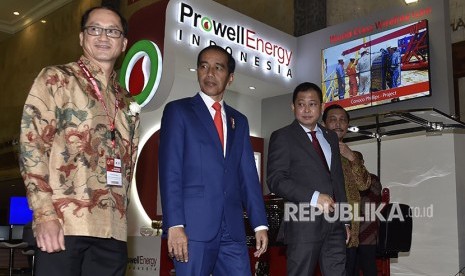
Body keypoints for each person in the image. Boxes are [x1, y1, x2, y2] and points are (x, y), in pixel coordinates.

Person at [19, 6, 139, 276]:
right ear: (82, 38)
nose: (103, 36)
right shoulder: (57, 78)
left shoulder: (127, 100)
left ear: (124, 43)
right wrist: (44, 215)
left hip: (113, 232)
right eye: (94, 29)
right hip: (65, 226)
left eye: (113, 31)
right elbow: (32, 147)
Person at [159, 45, 268, 275]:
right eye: (204, 66)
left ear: (230, 78)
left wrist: (260, 224)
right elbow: (170, 172)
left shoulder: (240, 121)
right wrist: (175, 225)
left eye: (218, 68)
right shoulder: (178, 111)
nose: (209, 73)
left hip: (233, 230)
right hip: (192, 229)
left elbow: (248, 176)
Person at [267, 82, 349, 276]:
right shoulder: (282, 136)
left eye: (312, 104)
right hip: (302, 223)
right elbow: (276, 179)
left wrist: (345, 220)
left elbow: (337, 181)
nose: (306, 109)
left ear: (321, 108)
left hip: (335, 223)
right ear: (293, 107)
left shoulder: (330, 137)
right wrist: (314, 197)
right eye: (301, 104)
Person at [322, 104, 371, 276]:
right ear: (323, 124)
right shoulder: (316, 152)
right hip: (323, 227)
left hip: (351, 230)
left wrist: (351, 157)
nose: (338, 124)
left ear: (347, 127)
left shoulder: (354, 155)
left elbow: (364, 185)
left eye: (342, 120)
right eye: (333, 119)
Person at [357, 173, 382, 276]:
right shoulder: (347, 178)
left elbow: (368, 207)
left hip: (367, 234)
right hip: (353, 234)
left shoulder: (372, 180)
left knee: (368, 268)